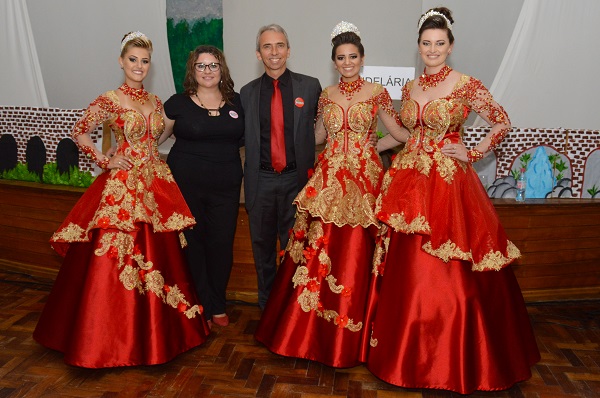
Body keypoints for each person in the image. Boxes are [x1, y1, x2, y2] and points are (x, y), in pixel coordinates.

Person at [365, 8, 540, 393]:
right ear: (418, 46)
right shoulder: (409, 89)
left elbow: (501, 120)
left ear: (450, 45)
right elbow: (403, 132)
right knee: (409, 269)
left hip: (448, 184)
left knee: (453, 268)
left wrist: (472, 152)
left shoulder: (467, 84)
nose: (432, 50)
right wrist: (367, 149)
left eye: (439, 44)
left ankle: (457, 353)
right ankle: (406, 352)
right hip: (408, 182)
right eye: (426, 44)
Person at [33, 32, 210, 368]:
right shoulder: (109, 100)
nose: (139, 66)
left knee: (162, 258)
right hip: (123, 189)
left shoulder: (156, 103)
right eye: (133, 60)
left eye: (144, 61)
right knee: (112, 262)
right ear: (121, 61)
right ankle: (106, 338)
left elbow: (155, 140)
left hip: (155, 186)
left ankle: (157, 335)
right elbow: (79, 130)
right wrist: (105, 160)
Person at [254, 22, 405, 368]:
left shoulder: (376, 93)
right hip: (330, 179)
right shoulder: (327, 95)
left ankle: (355, 331)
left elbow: (400, 133)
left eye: (353, 56)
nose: (347, 62)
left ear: (362, 58)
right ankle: (308, 330)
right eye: (341, 57)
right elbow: (318, 134)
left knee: (357, 250)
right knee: (319, 248)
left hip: (364, 181)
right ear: (334, 62)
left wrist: (373, 146)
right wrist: (288, 130)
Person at [240, 24, 322, 310]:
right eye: (267, 47)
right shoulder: (247, 93)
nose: (274, 52)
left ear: (289, 50)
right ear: (258, 54)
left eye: (279, 46)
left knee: (295, 249)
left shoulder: (310, 87)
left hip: (296, 182)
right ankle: (267, 308)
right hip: (260, 181)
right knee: (262, 250)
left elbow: (324, 127)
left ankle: (290, 311)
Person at [164, 45, 244, 328]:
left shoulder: (237, 103)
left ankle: (218, 304)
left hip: (226, 188)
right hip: (186, 187)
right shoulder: (177, 103)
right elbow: (152, 140)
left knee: (221, 245)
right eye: (201, 65)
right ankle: (201, 305)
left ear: (221, 69)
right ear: (192, 70)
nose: (207, 71)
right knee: (193, 246)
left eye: (213, 65)